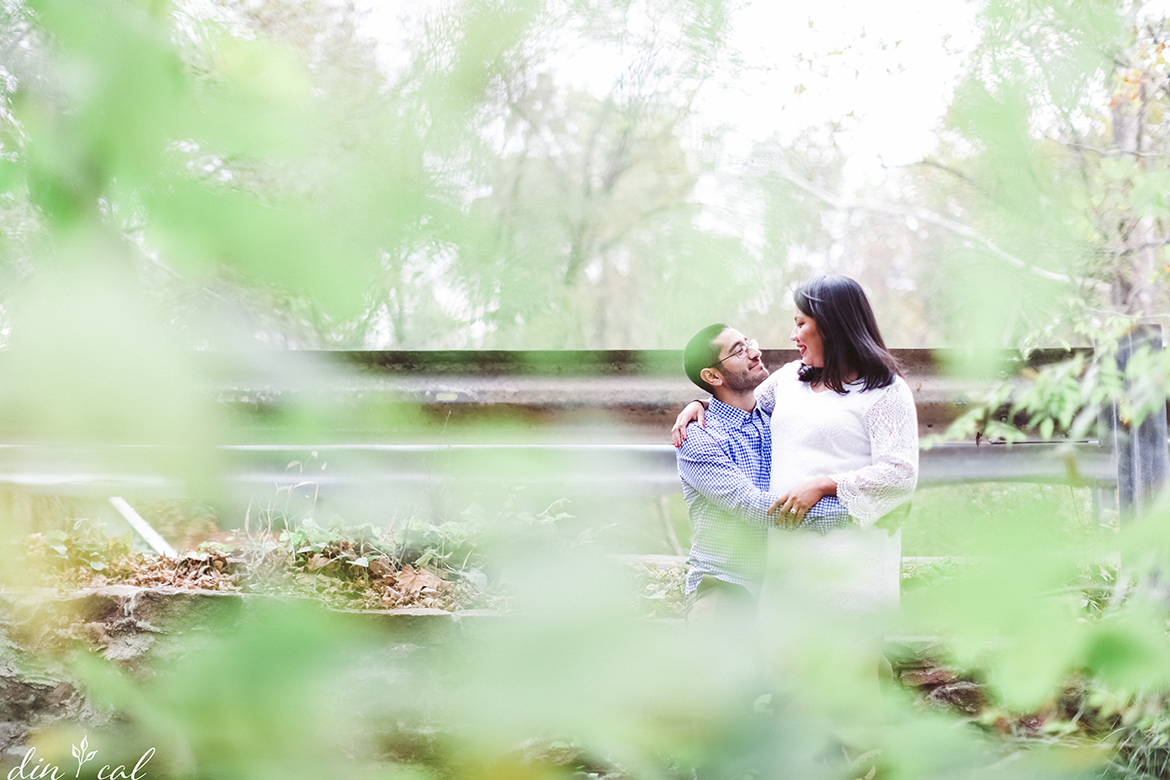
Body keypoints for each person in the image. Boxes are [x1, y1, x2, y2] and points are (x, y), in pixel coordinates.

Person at [674, 322, 859, 620]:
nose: (755, 352)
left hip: (790, 581)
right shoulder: (698, 438)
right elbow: (756, 507)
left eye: (749, 343)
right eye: (739, 351)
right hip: (728, 584)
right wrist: (856, 511)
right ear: (712, 375)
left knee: (868, 662)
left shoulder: (778, 416)